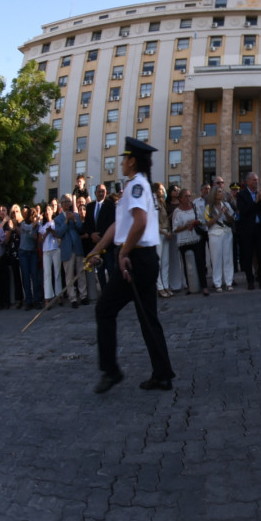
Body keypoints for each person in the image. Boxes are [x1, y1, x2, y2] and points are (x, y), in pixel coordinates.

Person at [87, 137, 175, 394]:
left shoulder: (137, 186)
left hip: (137, 259)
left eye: (124, 158)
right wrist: (96, 249)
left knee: (104, 309)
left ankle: (111, 371)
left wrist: (123, 253)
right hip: (143, 258)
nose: (122, 163)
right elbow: (119, 226)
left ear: (132, 160)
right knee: (148, 319)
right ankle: (162, 374)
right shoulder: (135, 187)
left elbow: (139, 222)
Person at [172, 189, 210, 296]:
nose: (188, 199)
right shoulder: (177, 212)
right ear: (181, 198)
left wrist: (195, 222)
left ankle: (204, 286)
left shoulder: (194, 207)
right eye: (186, 197)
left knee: (200, 262)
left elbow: (202, 221)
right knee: (186, 264)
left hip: (196, 238)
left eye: (189, 196)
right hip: (184, 240)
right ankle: (190, 286)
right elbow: (175, 228)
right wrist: (185, 226)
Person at [236, 172, 261, 290]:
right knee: (247, 256)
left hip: (260, 229)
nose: (256, 182)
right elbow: (244, 211)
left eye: (257, 180)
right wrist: (255, 202)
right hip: (247, 230)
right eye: (254, 180)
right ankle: (250, 280)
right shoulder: (241, 195)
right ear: (248, 181)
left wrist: (260, 200)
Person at [54, 194, 88, 308]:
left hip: (77, 247)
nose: (68, 204)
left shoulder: (76, 215)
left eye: (69, 202)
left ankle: (83, 296)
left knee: (80, 273)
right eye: (66, 202)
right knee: (69, 275)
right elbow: (59, 233)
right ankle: (72, 298)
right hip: (67, 249)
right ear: (62, 204)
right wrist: (66, 221)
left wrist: (74, 219)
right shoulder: (58, 219)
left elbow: (81, 229)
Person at [84, 184, 116, 295]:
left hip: (107, 245)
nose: (101, 193)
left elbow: (112, 223)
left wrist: (102, 237)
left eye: (103, 191)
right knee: (100, 271)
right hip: (95, 245)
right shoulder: (90, 206)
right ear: (95, 192)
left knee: (111, 270)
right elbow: (86, 224)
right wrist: (92, 234)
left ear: (106, 192)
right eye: (99, 191)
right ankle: (104, 293)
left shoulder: (110, 205)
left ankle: (113, 293)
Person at [205, 184, 236, 292]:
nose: (222, 193)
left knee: (228, 258)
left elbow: (232, 220)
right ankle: (217, 283)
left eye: (222, 192)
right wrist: (219, 215)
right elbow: (208, 223)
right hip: (214, 234)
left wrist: (227, 213)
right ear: (214, 194)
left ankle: (229, 282)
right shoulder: (209, 207)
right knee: (216, 259)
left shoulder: (226, 204)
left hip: (227, 233)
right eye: (219, 192)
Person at [152, 182, 173, 298]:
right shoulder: (154, 203)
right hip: (159, 234)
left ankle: (165, 285)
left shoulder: (162, 202)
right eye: (160, 189)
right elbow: (154, 223)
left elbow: (167, 220)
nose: (163, 191)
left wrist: (169, 231)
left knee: (165, 262)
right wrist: (165, 232)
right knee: (159, 262)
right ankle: (159, 286)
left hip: (166, 233)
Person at [39, 203, 63, 307]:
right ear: (44, 214)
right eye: (46, 210)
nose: (48, 212)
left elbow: (59, 235)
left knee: (57, 272)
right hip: (46, 251)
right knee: (47, 274)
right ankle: (48, 297)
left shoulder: (55, 223)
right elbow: (40, 240)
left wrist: (51, 231)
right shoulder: (42, 226)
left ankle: (59, 295)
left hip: (56, 249)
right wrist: (46, 232)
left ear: (52, 211)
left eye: (49, 210)